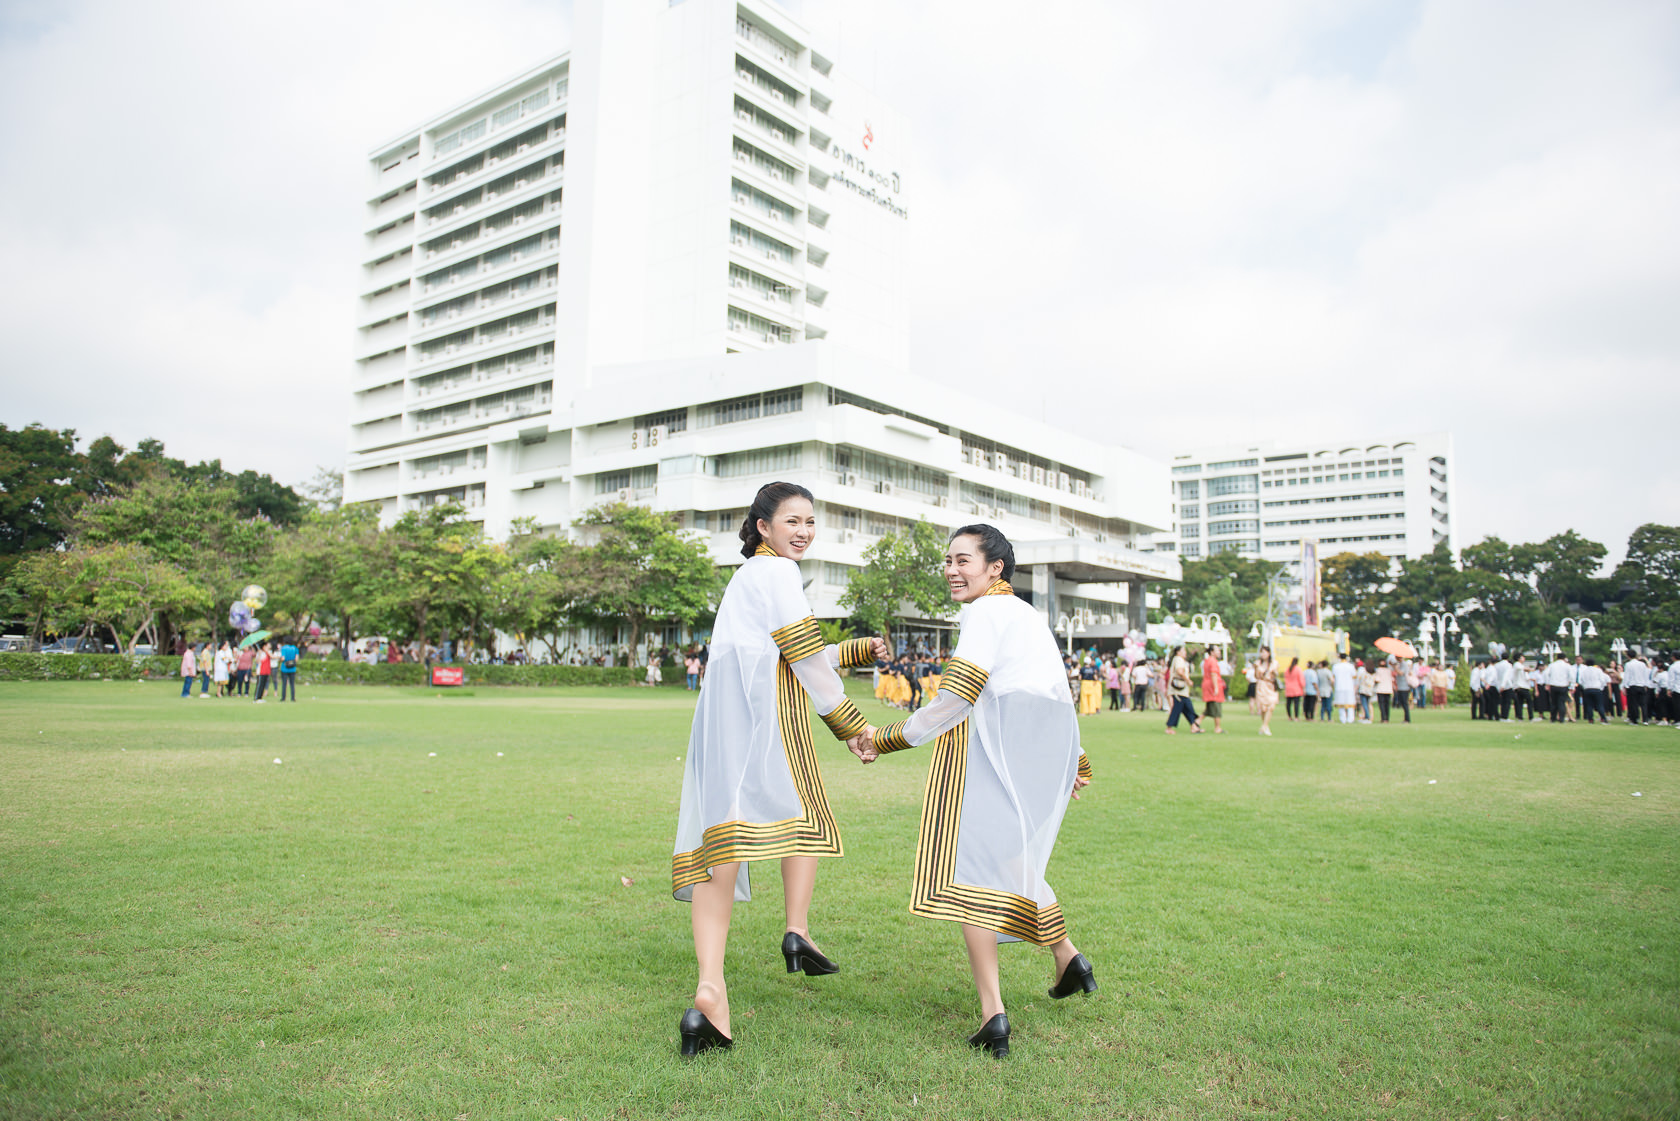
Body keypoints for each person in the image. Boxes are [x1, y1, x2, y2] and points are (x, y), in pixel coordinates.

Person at [671, 482, 884, 1057]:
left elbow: (785, 649)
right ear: (762, 526)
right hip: (763, 725)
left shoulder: (747, 578)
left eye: (811, 521)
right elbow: (806, 658)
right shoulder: (781, 576)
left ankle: (710, 991)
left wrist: (858, 651)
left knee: (722, 848)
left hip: (720, 729)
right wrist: (852, 726)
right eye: (792, 520)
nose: (804, 530)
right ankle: (796, 928)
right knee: (805, 817)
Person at [867, 524, 1094, 1058]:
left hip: (1007, 751)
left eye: (963, 560)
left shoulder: (985, 613)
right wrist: (1071, 763)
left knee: (972, 873)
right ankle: (1068, 959)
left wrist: (886, 738)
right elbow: (1056, 692)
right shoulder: (1025, 614)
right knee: (1010, 865)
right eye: (947, 560)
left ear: (995, 568)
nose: (951, 569)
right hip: (1040, 748)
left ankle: (994, 1013)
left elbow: (955, 699)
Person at [1164, 645, 1202, 734]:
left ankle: (1193, 726)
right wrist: (1188, 680)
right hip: (1178, 690)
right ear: (1178, 652)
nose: (1185, 652)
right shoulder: (1178, 659)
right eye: (1183, 651)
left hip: (1182, 690)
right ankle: (1169, 727)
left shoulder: (1180, 660)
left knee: (1188, 708)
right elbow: (1179, 671)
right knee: (1177, 709)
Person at [1201, 645, 1228, 734]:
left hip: (1207, 684)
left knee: (1209, 706)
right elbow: (1213, 674)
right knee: (1216, 706)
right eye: (1217, 651)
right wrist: (1216, 687)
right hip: (1212, 685)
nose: (1219, 652)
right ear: (1212, 652)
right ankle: (1217, 727)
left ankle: (1197, 722)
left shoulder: (1207, 661)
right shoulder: (1212, 661)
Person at [1252, 647, 1279, 736]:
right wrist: (1256, 668)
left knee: (1271, 706)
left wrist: (1275, 673)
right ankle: (1265, 726)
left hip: (1270, 686)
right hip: (1261, 685)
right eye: (1261, 652)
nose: (1262, 654)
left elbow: (1276, 675)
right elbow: (1256, 676)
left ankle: (1264, 726)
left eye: (1264, 652)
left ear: (1269, 653)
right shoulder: (1258, 663)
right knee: (1263, 708)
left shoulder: (1274, 663)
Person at [1622, 653, 1651, 724]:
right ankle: (1645, 720)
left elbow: (1627, 676)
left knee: (1633, 704)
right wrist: (1646, 685)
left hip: (1633, 685)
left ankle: (1634, 720)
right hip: (1642, 685)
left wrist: (1625, 686)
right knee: (1643, 704)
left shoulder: (1628, 664)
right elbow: (1645, 675)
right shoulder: (1642, 664)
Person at [1333, 652, 1358, 724]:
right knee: (1350, 703)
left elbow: (1334, 676)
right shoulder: (1350, 666)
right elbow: (1354, 675)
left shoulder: (1336, 666)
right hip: (1349, 686)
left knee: (1341, 704)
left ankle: (1343, 719)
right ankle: (1350, 719)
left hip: (1339, 686)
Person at [1282, 657, 1304, 721]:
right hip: (1296, 689)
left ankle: (1289, 716)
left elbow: (1285, 678)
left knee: (1288, 703)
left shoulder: (1287, 669)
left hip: (1288, 688)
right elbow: (1301, 679)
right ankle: (1296, 717)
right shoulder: (1298, 669)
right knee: (1296, 703)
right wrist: (1303, 687)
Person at [1374, 658, 1394, 724]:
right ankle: (1387, 718)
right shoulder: (1389, 670)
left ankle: (1383, 718)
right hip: (1388, 689)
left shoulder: (1378, 670)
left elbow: (1377, 679)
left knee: (1381, 704)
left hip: (1380, 689)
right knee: (1387, 704)